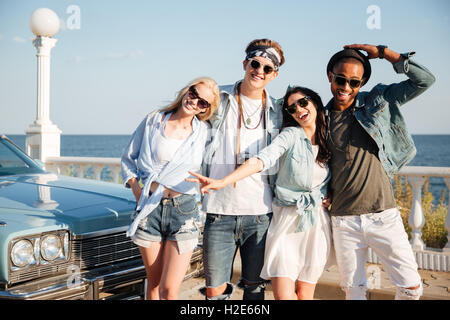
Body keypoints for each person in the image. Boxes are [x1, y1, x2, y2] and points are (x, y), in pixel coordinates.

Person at [188, 86, 335, 300]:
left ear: (315, 103)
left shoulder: (327, 137)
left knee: (305, 295)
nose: (298, 110)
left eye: (303, 102)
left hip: (316, 224)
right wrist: (224, 181)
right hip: (287, 222)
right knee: (283, 296)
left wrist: (328, 195)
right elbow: (262, 159)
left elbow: (337, 175)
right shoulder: (290, 135)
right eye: (292, 108)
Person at [324, 44, 435, 300]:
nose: (346, 87)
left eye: (354, 82)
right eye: (340, 79)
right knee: (354, 292)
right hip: (344, 221)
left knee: (411, 288)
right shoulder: (321, 118)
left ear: (362, 82)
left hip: (383, 215)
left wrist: (385, 53)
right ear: (330, 75)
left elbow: (424, 80)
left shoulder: (379, 99)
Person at [198, 38, 285, 300]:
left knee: (254, 290)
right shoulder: (218, 97)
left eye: (267, 68)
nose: (259, 71)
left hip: (260, 214)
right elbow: (186, 117)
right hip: (218, 211)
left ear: (274, 75)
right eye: (255, 63)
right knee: (214, 291)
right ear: (245, 63)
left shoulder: (278, 111)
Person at [120, 77, 220, 300]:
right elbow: (128, 159)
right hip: (150, 208)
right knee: (153, 285)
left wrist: (213, 181)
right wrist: (137, 190)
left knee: (168, 290)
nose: (194, 102)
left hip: (183, 210)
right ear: (187, 90)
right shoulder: (153, 121)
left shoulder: (202, 132)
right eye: (194, 93)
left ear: (206, 109)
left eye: (203, 102)